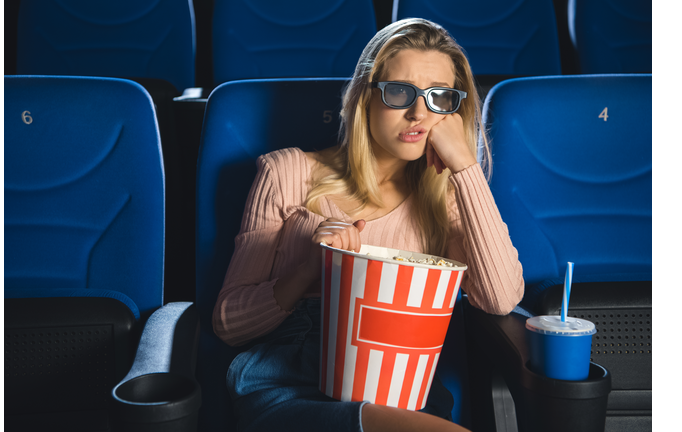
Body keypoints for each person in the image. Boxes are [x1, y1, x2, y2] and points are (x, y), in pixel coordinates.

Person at [212, 18, 524, 432]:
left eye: (439, 98)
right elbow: (228, 324)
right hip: (290, 379)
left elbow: (500, 298)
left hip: (402, 388)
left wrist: (465, 168)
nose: (419, 113)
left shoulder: (446, 197)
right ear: (366, 97)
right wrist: (309, 268)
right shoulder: (287, 171)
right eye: (400, 92)